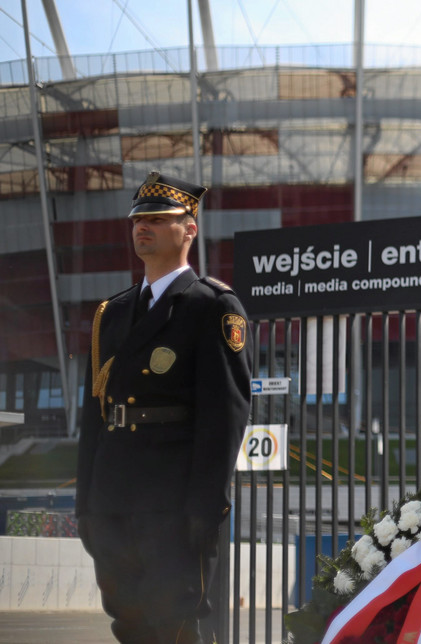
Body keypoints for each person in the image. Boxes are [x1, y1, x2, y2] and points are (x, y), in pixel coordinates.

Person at [76, 171, 251, 644]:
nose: (142, 228)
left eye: (157, 219)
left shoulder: (212, 306)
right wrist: (85, 503)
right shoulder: (110, 314)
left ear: (189, 228)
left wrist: (206, 503)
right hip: (112, 496)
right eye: (137, 220)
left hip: (172, 501)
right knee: (127, 621)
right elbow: (93, 414)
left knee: (173, 621)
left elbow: (226, 415)